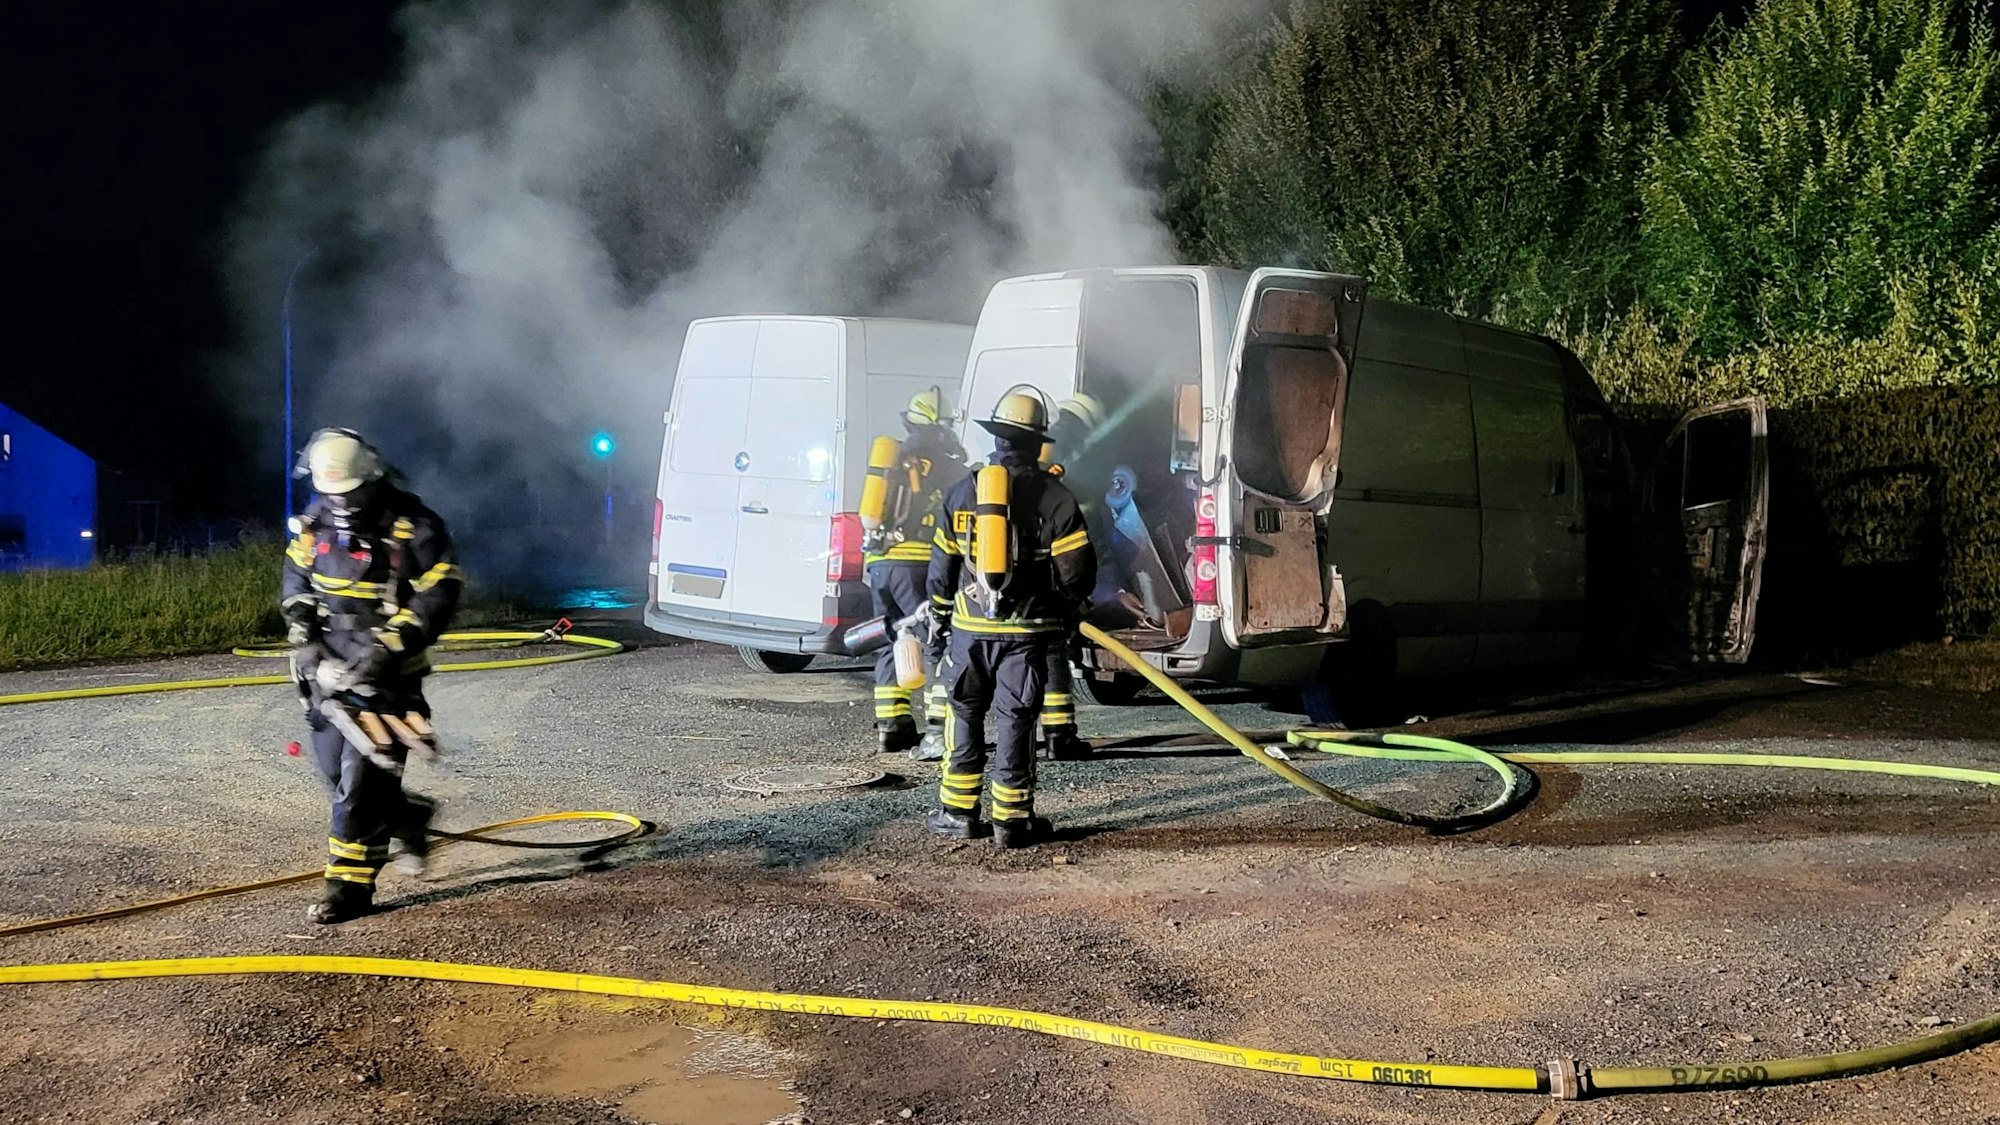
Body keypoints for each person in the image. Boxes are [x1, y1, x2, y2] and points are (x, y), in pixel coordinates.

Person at [281, 429, 462, 923]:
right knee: (333, 773)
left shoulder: (415, 526)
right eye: (330, 493)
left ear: (372, 480)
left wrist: (386, 650)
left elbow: (437, 596)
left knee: (359, 787)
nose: (338, 502)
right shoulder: (315, 523)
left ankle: (348, 887)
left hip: (389, 674)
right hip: (328, 669)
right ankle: (409, 817)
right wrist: (306, 637)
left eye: (348, 493)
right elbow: (296, 581)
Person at [924, 392, 1097, 848]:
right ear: (1039, 445)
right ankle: (1012, 822)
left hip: (970, 633)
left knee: (964, 716)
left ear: (997, 439)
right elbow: (1077, 572)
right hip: (1027, 635)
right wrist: (1062, 611)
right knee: (1017, 721)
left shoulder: (963, 491)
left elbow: (940, 570)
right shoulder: (1056, 497)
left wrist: (941, 619)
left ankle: (958, 814)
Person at [863, 389, 966, 756]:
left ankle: (892, 726)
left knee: (893, 636)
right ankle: (938, 726)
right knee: (937, 639)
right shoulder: (951, 467)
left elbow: (873, 516)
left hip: (881, 564)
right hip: (921, 563)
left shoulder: (893, 460)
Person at [1033, 392, 1109, 760]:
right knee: (1053, 655)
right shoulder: (1080, 453)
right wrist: (1075, 595)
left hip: (1017, 578)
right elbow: (1082, 521)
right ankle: (1059, 736)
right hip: (1053, 575)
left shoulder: (1042, 446)